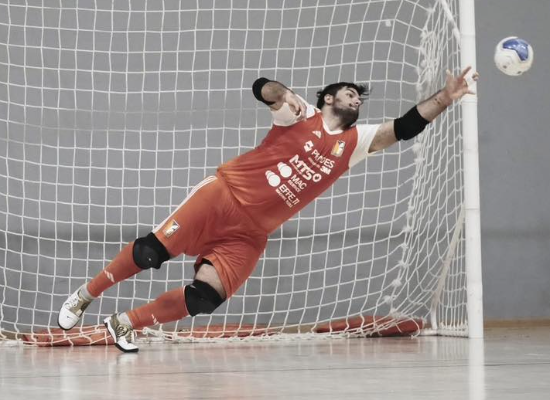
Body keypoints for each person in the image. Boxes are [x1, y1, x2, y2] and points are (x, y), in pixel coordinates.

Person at [58, 67, 478, 352]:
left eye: (359, 99)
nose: (357, 101)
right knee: (151, 252)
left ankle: (126, 322)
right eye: (350, 93)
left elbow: (405, 127)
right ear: (328, 97)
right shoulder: (299, 115)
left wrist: (446, 96)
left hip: (250, 233)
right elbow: (262, 88)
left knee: (205, 298)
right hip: (222, 197)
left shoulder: (355, 144)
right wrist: (280, 94)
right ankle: (84, 296)